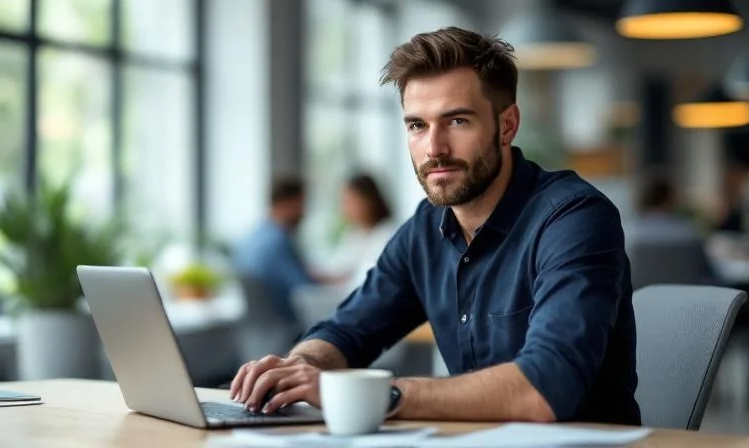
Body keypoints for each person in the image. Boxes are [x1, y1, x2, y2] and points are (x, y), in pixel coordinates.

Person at [230, 26, 640, 425]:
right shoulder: (425, 230)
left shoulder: (574, 218)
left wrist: (376, 395)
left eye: (457, 121)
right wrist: (298, 367)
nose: (435, 148)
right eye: (417, 125)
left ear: (507, 125)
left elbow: (546, 387)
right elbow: (348, 330)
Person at [232, 175, 316, 327]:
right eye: (301, 204)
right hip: (286, 333)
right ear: (289, 203)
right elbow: (305, 288)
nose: (304, 212)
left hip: (256, 335)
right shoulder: (279, 241)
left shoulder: (248, 238)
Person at [320, 173, 398, 287]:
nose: (345, 208)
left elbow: (366, 278)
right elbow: (337, 268)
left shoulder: (388, 233)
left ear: (369, 201)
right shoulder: (354, 234)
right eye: (344, 202)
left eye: (351, 201)